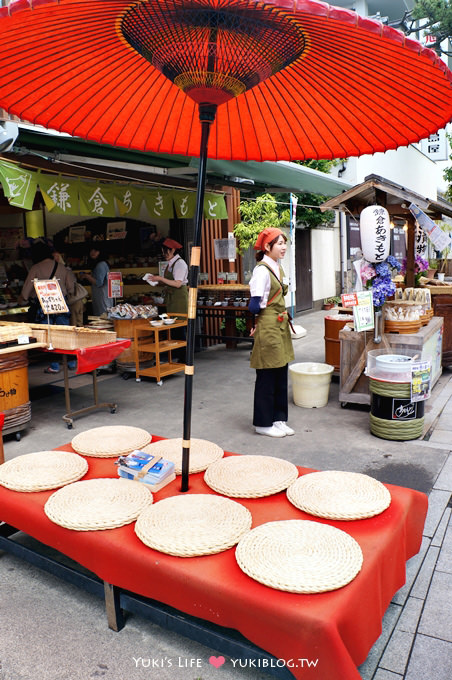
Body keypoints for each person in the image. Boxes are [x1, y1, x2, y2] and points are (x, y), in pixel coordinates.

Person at [248, 227, 295, 438]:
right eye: (280, 243)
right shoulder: (261, 270)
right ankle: (263, 423)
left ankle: (278, 419)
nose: (284, 247)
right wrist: (256, 319)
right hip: (268, 324)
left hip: (280, 323)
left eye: (285, 243)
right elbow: (254, 305)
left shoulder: (277, 266)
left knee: (280, 372)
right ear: (267, 247)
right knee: (267, 373)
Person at [18, 240, 76, 374]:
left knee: (49, 335)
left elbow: (26, 291)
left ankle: (54, 365)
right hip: (61, 305)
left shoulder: (35, 268)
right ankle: (71, 362)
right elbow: (71, 288)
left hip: (44, 307)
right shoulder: (61, 267)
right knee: (64, 333)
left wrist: (22, 300)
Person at [145, 238, 188, 315]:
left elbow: (177, 284)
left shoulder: (179, 263)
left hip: (179, 298)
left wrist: (160, 278)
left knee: (180, 322)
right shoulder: (170, 263)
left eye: (166, 252)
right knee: (172, 321)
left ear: (173, 250)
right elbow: (169, 281)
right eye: (163, 252)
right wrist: (156, 280)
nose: (164, 254)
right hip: (171, 297)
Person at [79, 244, 113, 317]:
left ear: (100, 252)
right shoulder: (101, 264)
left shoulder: (100, 264)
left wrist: (86, 276)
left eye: (96, 251)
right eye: (91, 251)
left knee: (103, 318)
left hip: (102, 297)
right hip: (102, 297)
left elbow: (99, 283)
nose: (93, 252)